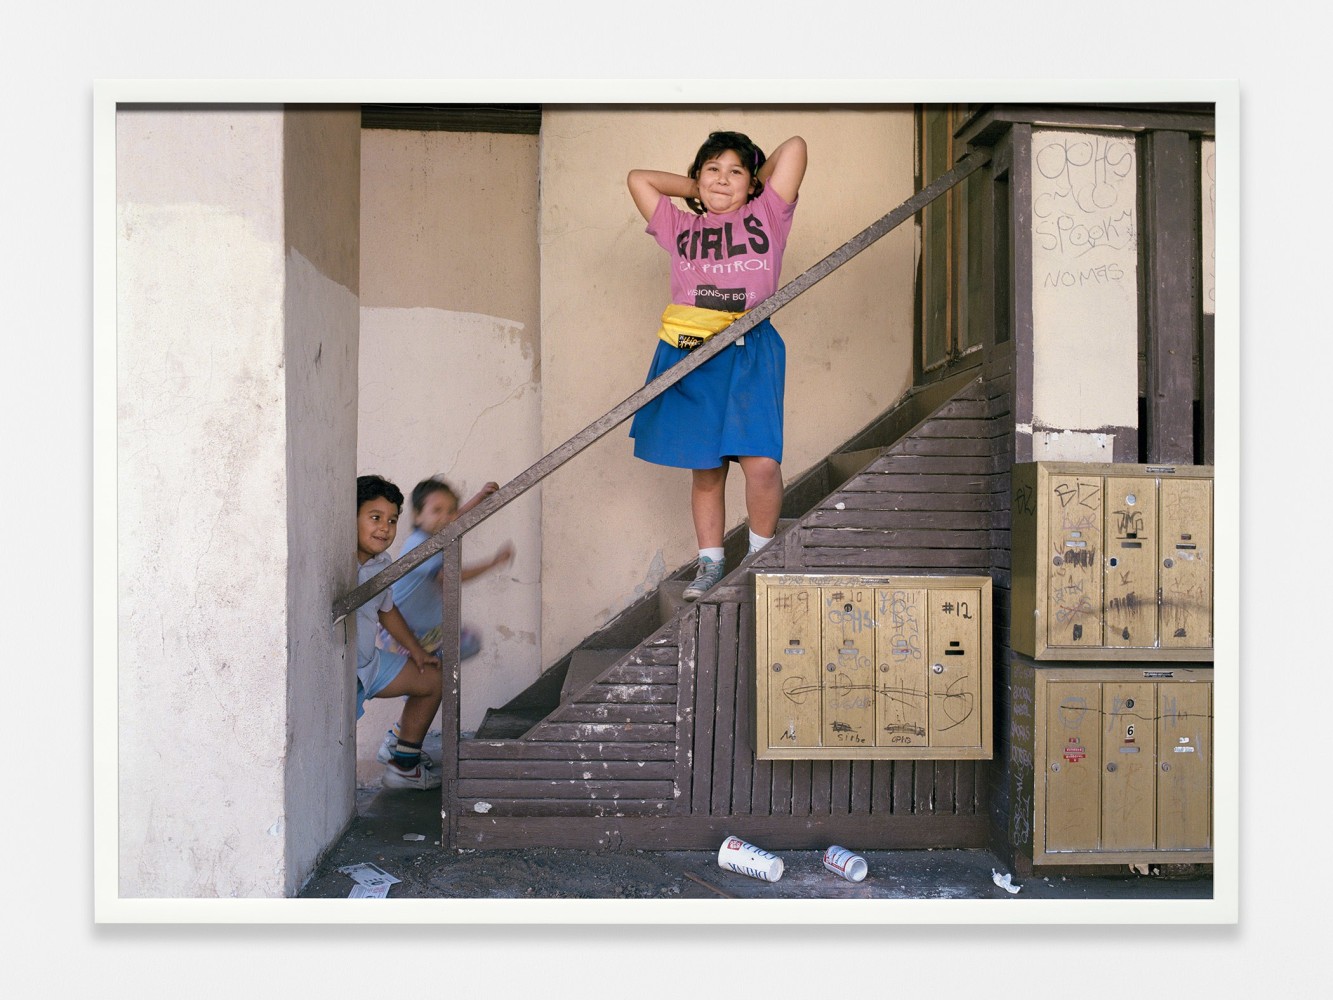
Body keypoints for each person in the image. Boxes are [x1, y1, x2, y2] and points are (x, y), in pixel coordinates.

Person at [626, 130, 808, 600]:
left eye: (735, 171)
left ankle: (759, 554)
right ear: (696, 177)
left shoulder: (767, 213)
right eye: (713, 169)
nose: (722, 179)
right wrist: (698, 189)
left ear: (752, 183)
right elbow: (638, 179)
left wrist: (750, 185)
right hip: (691, 351)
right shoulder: (680, 227)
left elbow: (795, 147)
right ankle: (710, 563)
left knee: (762, 463)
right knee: (707, 468)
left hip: (750, 349)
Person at [372, 476, 515, 766]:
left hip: (427, 632)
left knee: (466, 644)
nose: (446, 517)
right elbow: (450, 577)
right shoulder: (419, 545)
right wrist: (493, 562)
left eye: (450, 510)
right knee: (430, 683)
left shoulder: (435, 535)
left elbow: (454, 521)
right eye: (436, 511)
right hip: (404, 635)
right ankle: (399, 748)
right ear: (418, 516)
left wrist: (478, 498)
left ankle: (399, 737)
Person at [353, 474, 444, 790]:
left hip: (371, 665)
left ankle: (403, 767)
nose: (385, 528)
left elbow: (386, 610)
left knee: (433, 677)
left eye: (391, 520)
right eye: (375, 518)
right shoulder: (337, 562)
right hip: (342, 672)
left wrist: (418, 652)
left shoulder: (382, 562)